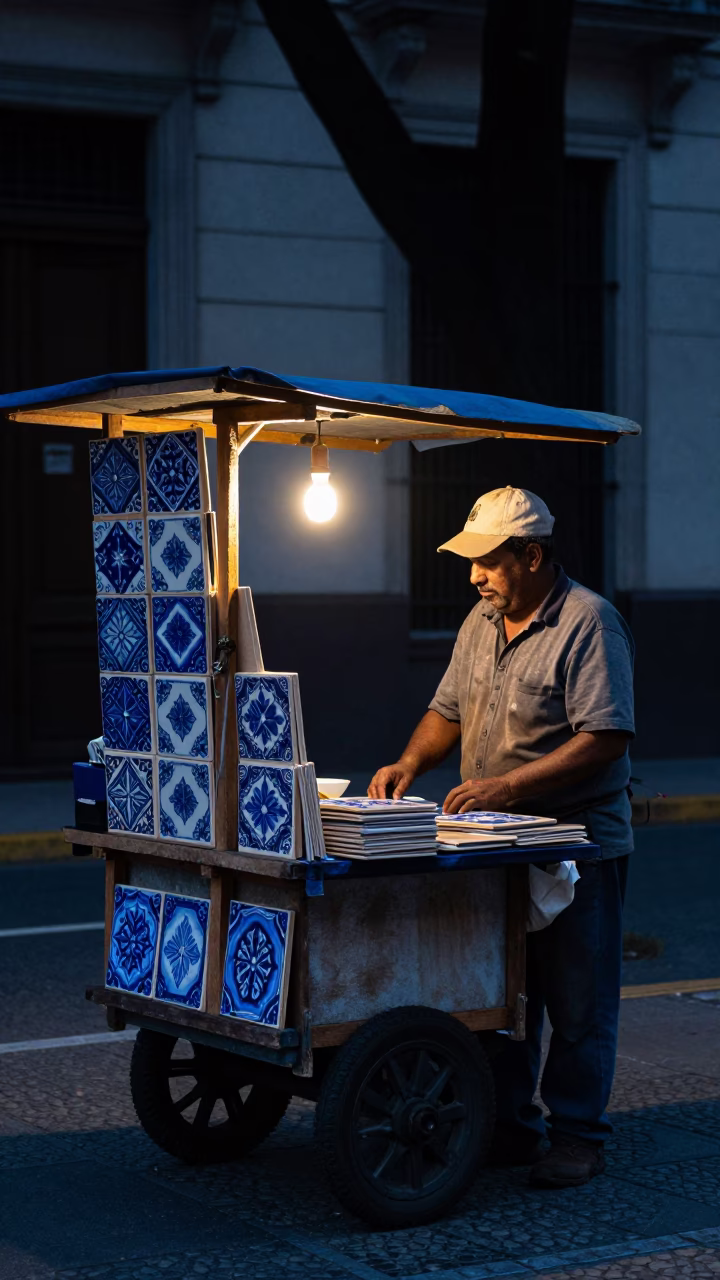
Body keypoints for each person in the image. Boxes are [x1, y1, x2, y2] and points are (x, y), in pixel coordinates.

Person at [369, 485, 634, 1189]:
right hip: (496, 843)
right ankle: (515, 1128)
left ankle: (579, 1134)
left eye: (487, 561)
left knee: (577, 999)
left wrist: (507, 787)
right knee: (501, 993)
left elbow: (605, 737)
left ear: (533, 555)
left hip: (579, 842)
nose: (474, 576)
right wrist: (409, 761)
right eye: (471, 563)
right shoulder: (480, 621)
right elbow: (445, 710)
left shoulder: (589, 622)